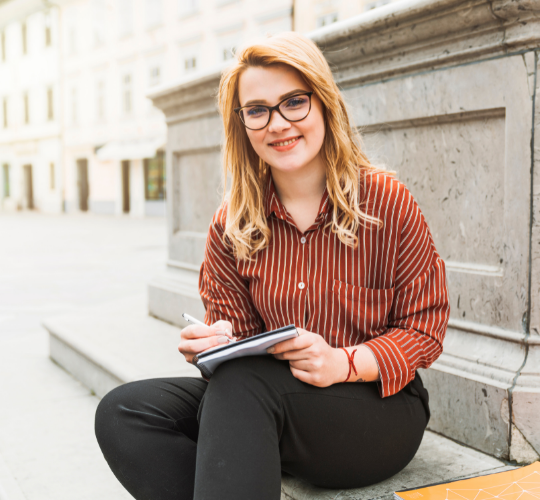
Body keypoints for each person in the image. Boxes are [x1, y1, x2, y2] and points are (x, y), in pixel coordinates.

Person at [94, 31, 450, 500]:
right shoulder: (232, 223)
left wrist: (341, 363)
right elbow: (239, 348)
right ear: (242, 123)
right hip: (267, 401)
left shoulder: (386, 201)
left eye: (294, 102)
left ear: (323, 104)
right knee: (123, 412)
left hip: (375, 409)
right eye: (258, 110)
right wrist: (216, 345)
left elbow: (425, 330)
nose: (278, 123)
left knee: (245, 385)